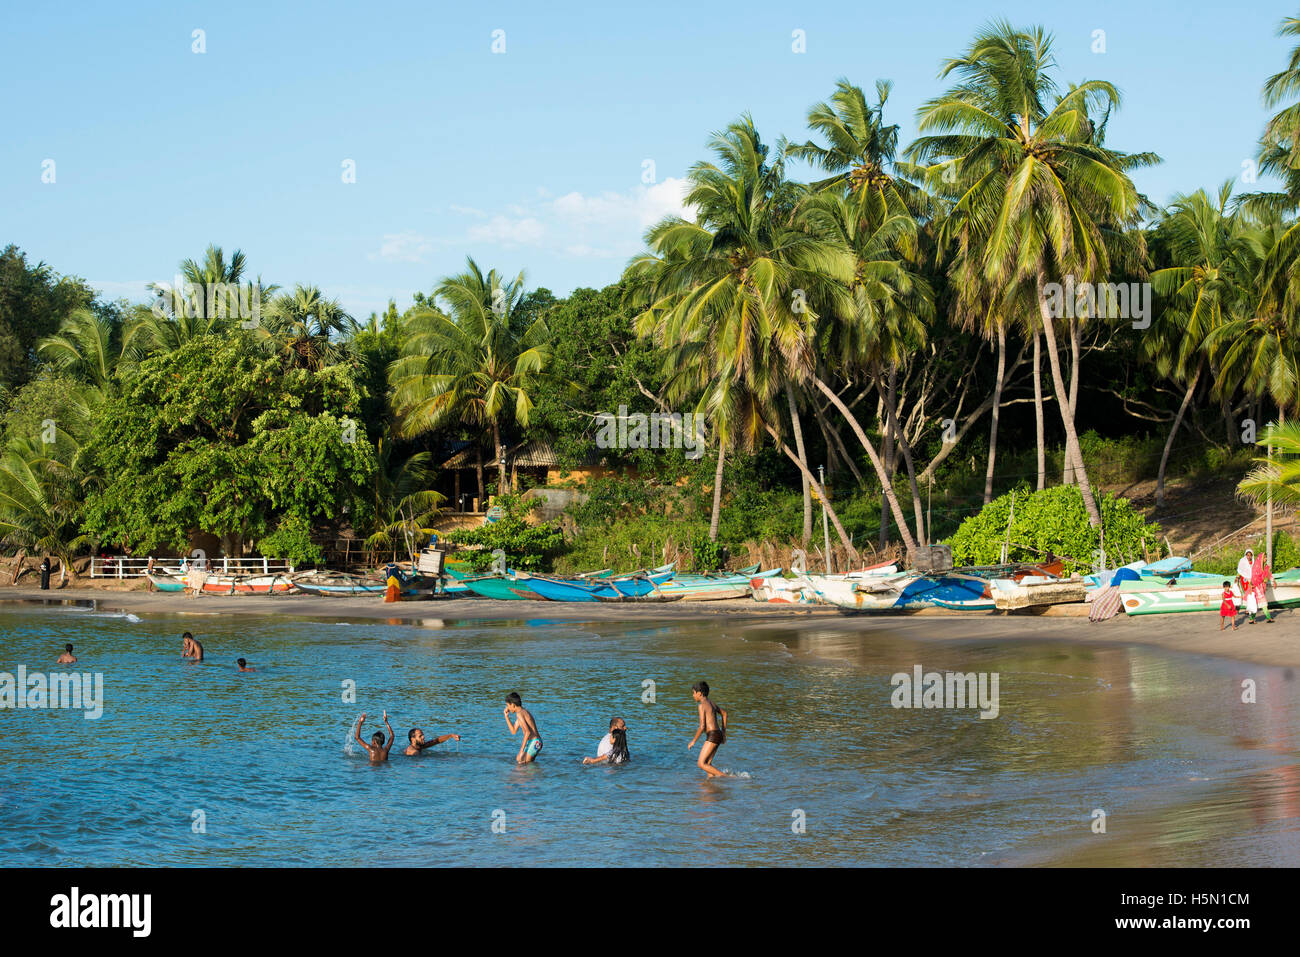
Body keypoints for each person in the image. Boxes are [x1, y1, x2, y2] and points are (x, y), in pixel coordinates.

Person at [688, 681, 728, 778]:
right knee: (707, 764)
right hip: (718, 734)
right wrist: (723, 733)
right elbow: (724, 713)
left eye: (693, 693)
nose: (693, 695)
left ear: (699, 693)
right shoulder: (712, 703)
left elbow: (702, 726)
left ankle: (728, 778)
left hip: (713, 735)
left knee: (701, 763)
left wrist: (693, 741)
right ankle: (709, 785)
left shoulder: (701, 706)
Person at [503, 692, 543, 763]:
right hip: (534, 742)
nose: (507, 708)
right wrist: (506, 717)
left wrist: (521, 751)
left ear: (513, 705)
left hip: (535, 741)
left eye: (507, 705)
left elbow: (527, 732)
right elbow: (513, 731)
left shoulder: (520, 714)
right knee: (522, 763)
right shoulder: (522, 712)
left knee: (522, 763)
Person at [1252, 551, 1275, 624]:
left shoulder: (1266, 567)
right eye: (1264, 557)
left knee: (1257, 603)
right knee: (1263, 602)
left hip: (1262, 586)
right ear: (1261, 559)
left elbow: (1269, 574)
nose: (1265, 559)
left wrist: (1273, 581)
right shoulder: (1256, 567)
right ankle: (1268, 617)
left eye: (1266, 557)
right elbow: (1253, 577)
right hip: (1257, 587)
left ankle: (1251, 618)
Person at [1237, 549, 1256, 622]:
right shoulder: (1242, 561)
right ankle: (1247, 609)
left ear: (1252, 555)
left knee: (1250, 593)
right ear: (1245, 555)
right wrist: (1237, 577)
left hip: (1252, 579)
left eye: (1250, 555)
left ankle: (1249, 608)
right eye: (1247, 555)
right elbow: (1240, 570)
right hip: (1244, 579)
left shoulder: (1253, 562)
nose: (1249, 556)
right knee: (1246, 593)